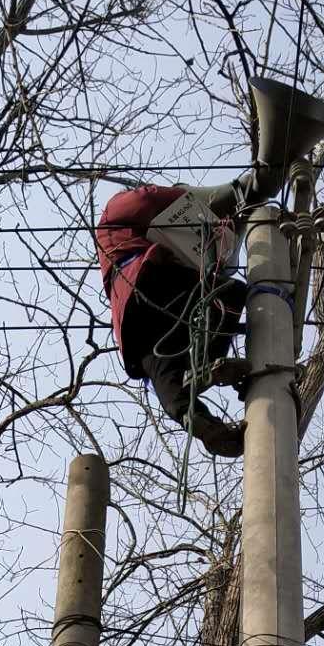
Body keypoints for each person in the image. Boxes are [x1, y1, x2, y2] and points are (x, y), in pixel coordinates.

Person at [95, 181, 252, 458]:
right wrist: (231, 194)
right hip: (149, 282)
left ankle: (208, 428)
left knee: (171, 383)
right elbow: (149, 199)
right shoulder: (114, 210)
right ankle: (205, 364)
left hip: (134, 328)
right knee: (228, 295)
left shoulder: (117, 240)